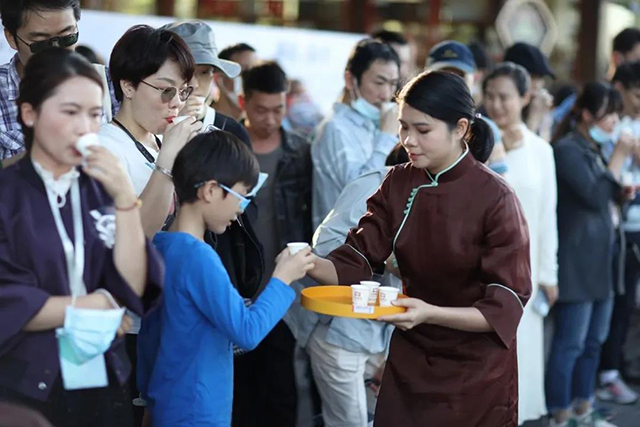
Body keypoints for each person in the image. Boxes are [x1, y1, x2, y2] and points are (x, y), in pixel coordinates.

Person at [307, 70, 532, 426]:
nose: (408, 140)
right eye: (402, 127)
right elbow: (355, 258)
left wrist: (429, 312)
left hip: (476, 371)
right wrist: (305, 262)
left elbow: (504, 308)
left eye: (422, 130)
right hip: (411, 357)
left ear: (460, 129)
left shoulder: (497, 198)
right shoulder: (397, 181)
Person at [0, 48, 162, 426]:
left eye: (94, 114)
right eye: (70, 112)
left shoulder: (101, 188)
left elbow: (135, 288)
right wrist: (100, 306)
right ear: (30, 113)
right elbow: (10, 299)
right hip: (25, 388)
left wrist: (125, 199)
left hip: (103, 379)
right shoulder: (7, 194)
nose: (85, 128)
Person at [136, 130, 314, 426]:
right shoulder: (199, 257)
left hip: (166, 403)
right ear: (209, 191)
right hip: (198, 410)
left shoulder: (162, 245)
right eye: (241, 197)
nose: (241, 210)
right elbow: (247, 331)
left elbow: (149, 339)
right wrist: (283, 278)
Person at [287, 145, 406, 427]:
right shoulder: (375, 184)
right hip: (339, 330)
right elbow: (326, 247)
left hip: (381, 335)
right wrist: (385, 261)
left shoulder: (442, 198)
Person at [546, 82, 636, 427]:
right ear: (587, 114)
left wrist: (621, 192)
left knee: (594, 343)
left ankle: (583, 408)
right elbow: (594, 197)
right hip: (577, 261)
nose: (615, 121)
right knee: (570, 344)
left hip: (602, 261)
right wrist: (617, 160)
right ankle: (560, 413)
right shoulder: (568, 149)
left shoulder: (592, 149)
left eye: (616, 114)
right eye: (609, 114)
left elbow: (603, 196)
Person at [232, 60, 313, 427]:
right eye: (261, 109)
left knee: (280, 388)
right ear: (242, 102)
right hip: (236, 287)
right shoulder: (230, 149)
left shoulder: (299, 150)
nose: (269, 118)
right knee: (239, 390)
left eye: (278, 109)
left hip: (283, 291)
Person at [483, 62, 559, 425]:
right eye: (491, 96)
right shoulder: (473, 144)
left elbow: (548, 215)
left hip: (525, 272)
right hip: (483, 270)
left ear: (525, 98)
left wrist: (549, 272)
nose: (497, 105)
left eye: (506, 97)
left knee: (523, 357)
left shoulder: (542, 150)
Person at [0, 0, 117, 163]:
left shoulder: (110, 85)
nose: (56, 51)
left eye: (67, 38)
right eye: (40, 43)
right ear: (11, 38)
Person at [311, 39, 400, 228]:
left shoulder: (373, 123)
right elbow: (359, 192)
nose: (386, 94)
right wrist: (386, 137)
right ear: (350, 80)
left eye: (392, 84)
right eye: (379, 82)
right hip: (339, 247)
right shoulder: (334, 128)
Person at [597, 61, 640, 405]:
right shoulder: (609, 125)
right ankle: (605, 373)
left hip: (634, 227)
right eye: (637, 94)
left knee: (626, 306)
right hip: (617, 228)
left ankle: (615, 369)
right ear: (621, 89)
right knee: (616, 303)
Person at [504, 42, 556, 141]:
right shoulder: (500, 109)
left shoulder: (537, 105)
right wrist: (534, 119)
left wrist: (544, 123)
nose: (537, 85)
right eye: (532, 77)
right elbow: (521, 152)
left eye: (540, 77)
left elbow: (543, 151)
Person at [215, 43, 258, 121]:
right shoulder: (199, 120)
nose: (252, 80)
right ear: (218, 78)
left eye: (256, 73)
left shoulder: (256, 128)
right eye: (244, 72)